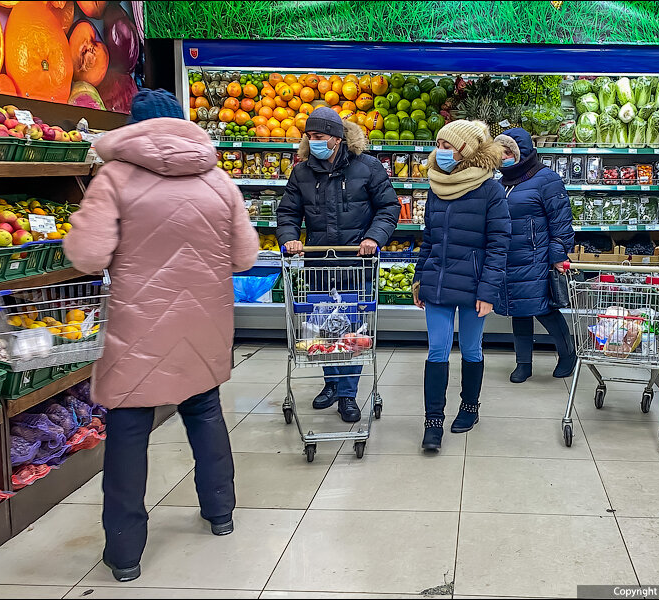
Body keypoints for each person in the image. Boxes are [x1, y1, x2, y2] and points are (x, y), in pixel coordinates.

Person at [63, 88, 259, 583]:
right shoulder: (219, 181)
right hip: (203, 324)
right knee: (205, 414)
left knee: (129, 435)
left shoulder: (114, 178)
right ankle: (220, 513)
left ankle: (126, 553)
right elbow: (245, 258)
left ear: (133, 129)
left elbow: (86, 256)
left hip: (139, 329)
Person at [275, 107, 400, 422]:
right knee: (326, 328)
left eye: (319, 137)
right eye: (310, 137)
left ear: (337, 137)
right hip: (320, 263)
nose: (313, 142)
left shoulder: (368, 167)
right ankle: (331, 383)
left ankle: (347, 394)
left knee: (353, 329)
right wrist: (289, 238)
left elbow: (388, 207)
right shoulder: (301, 172)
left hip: (357, 264)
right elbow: (288, 213)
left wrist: (374, 238)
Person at [413, 120, 511, 451]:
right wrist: (418, 276)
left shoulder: (490, 190)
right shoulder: (435, 187)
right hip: (438, 282)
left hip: (474, 286)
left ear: (464, 151)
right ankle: (433, 422)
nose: (438, 152)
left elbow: (499, 244)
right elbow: (429, 238)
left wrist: (488, 291)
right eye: (437, 144)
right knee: (437, 350)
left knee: (471, 349)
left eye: (445, 146)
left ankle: (470, 408)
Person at [494, 128, 577, 383]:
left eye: (509, 152)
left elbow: (561, 223)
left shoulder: (546, 179)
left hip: (537, 258)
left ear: (524, 152)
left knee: (544, 309)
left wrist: (557, 256)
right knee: (518, 309)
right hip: (509, 257)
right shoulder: (500, 183)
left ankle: (567, 354)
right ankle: (523, 363)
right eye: (501, 152)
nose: (503, 157)